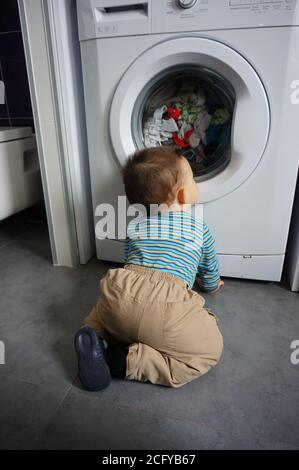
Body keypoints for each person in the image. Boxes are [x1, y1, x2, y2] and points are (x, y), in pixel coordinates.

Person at [74, 146, 224, 391]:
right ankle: (125, 362)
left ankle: (95, 335)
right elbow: (208, 270)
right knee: (210, 348)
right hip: (170, 307)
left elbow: (128, 265)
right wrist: (211, 285)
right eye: (193, 179)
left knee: (103, 309)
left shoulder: (136, 227)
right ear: (185, 195)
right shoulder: (199, 229)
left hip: (123, 292)